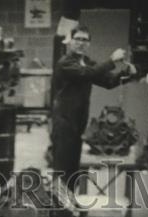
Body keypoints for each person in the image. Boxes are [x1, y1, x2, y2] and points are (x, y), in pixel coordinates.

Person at [51, 25, 137, 190]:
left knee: (73, 168)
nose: (81, 43)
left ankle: (69, 208)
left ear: (89, 43)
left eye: (85, 40)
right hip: (64, 122)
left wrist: (127, 74)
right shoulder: (65, 63)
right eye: (78, 39)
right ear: (70, 42)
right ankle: (58, 211)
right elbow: (86, 74)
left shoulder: (88, 63)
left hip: (79, 121)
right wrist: (112, 61)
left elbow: (108, 82)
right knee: (62, 168)